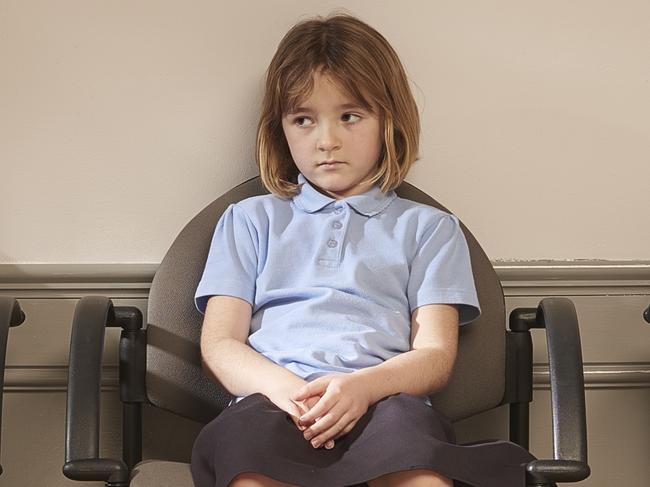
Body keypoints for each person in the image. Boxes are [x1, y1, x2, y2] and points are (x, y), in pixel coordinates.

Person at [191, 12, 535, 487]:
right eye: (303, 120)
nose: (326, 141)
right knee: (248, 461)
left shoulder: (430, 229)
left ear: (388, 120)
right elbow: (220, 344)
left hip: (386, 403)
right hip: (273, 401)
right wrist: (290, 393)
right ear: (281, 129)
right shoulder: (250, 221)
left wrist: (360, 388)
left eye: (350, 116)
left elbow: (434, 354)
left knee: (420, 468)